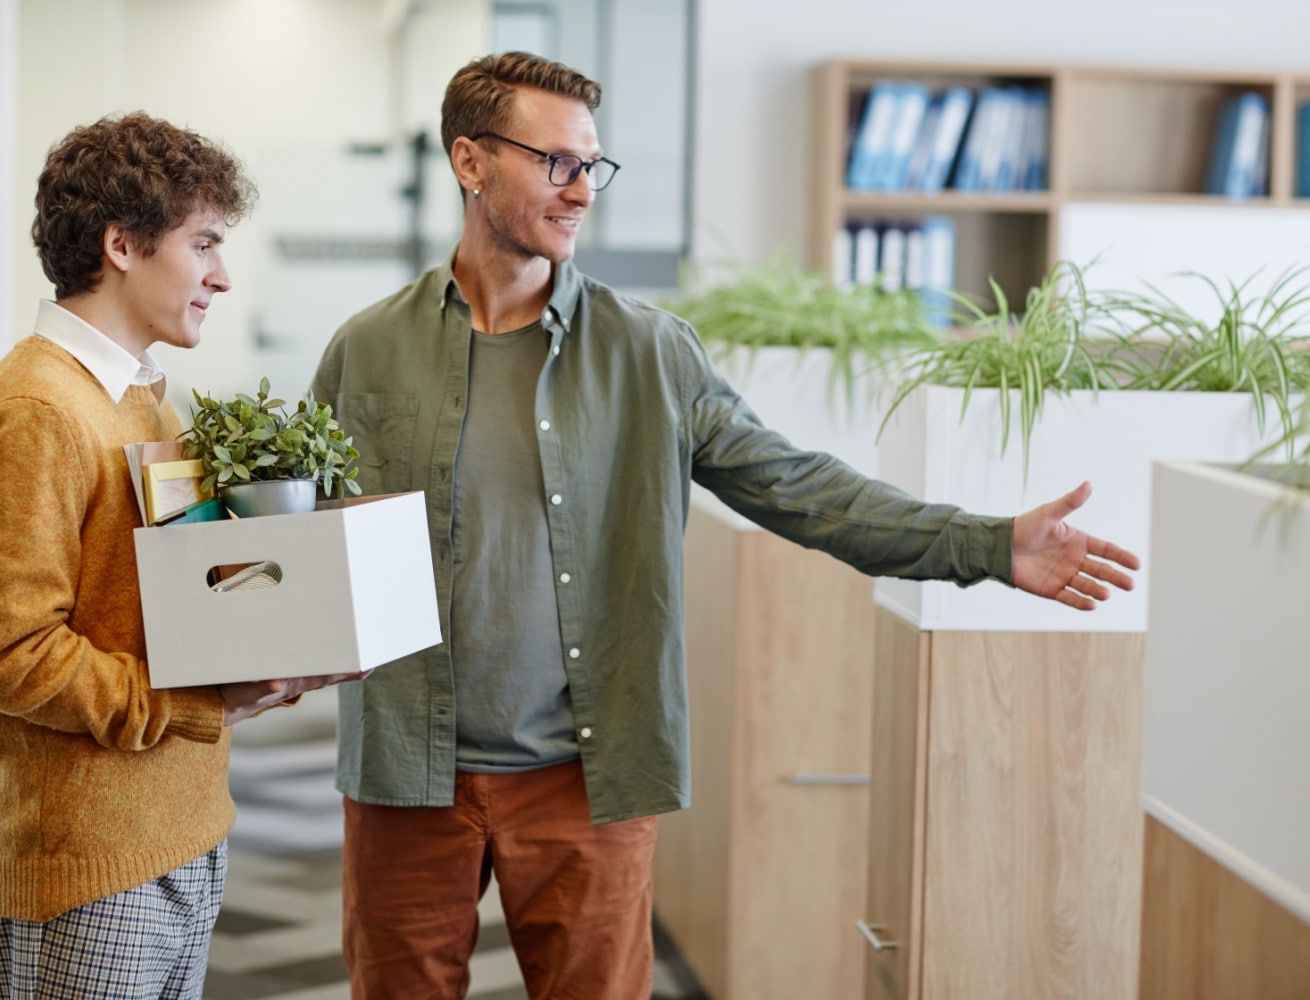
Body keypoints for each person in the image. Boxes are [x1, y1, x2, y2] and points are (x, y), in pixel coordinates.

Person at [311, 52, 1140, 999]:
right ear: (470, 162)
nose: (582, 191)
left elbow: (801, 488)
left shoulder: (650, 353)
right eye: (556, 163)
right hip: (405, 771)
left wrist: (986, 544)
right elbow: (298, 532)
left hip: (586, 775)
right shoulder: (367, 349)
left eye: (592, 166)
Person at [0, 112, 357, 999]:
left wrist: (289, 633)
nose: (222, 273)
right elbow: (12, 659)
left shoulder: (146, 405)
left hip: (181, 827)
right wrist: (195, 696)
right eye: (204, 242)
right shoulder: (39, 412)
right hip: (93, 860)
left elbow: (166, 605)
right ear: (121, 244)